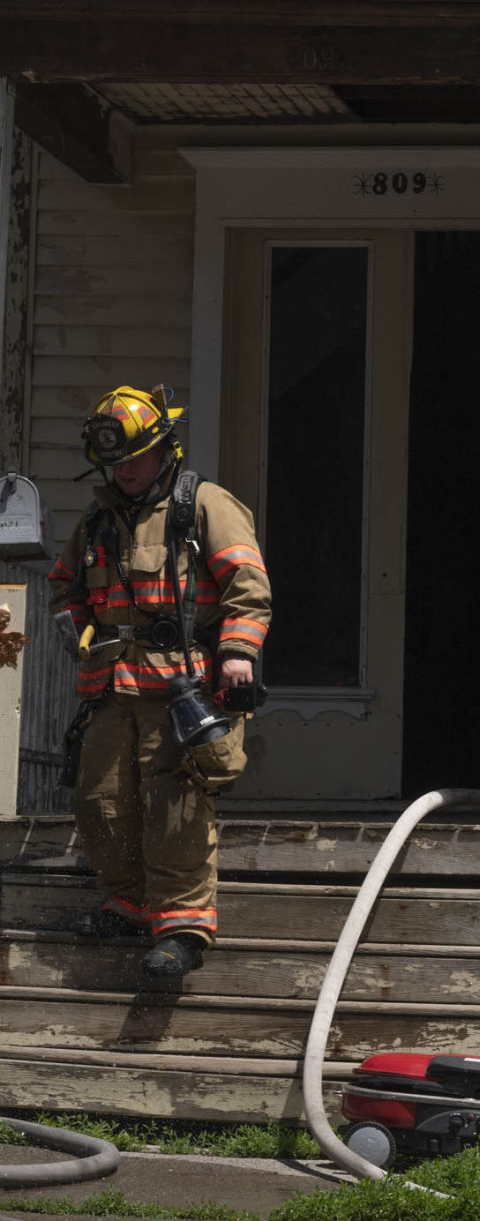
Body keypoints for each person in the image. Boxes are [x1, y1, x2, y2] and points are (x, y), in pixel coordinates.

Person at [49, 385, 270, 988]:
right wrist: (83, 634)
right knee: (100, 801)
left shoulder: (203, 506)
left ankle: (180, 930)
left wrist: (237, 653)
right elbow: (64, 588)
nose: (122, 472)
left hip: (180, 687)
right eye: (113, 463)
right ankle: (126, 905)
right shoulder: (97, 519)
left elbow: (248, 587)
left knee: (174, 805)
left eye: (132, 460)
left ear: (162, 450)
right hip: (110, 687)